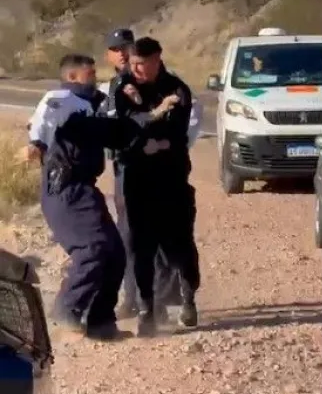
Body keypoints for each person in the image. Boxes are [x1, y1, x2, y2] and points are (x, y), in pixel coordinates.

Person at [24, 54, 174, 340]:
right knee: (92, 249)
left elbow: (121, 128)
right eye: (89, 74)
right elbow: (44, 116)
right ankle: (67, 309)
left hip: (84, 189)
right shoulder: (63, 99)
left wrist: (155, 113)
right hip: (64, 189)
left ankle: (100, 323)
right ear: (72, 77)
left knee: (115, 253)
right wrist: (36, 144)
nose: (94, 78)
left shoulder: (93, 105)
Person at [112, 37, 200, 336]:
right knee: (140, 248)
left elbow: (175, 135)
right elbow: (119, 128)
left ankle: (188, 299)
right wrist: (143, 131)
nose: (135, 69)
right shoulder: (122, 86)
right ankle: (147, 310)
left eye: (141, 64)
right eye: (132, 63)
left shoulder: (177, 90)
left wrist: (153, 137)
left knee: (179, 247)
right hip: (136, 180)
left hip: (171, 179)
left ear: (157, 58)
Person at [97, 28, 181, 320]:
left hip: (158, 168)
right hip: (125, 169)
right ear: (108, 55)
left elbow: (182, 123)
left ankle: (158, 302)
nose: (121, 53)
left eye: (126, 47)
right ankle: (132, 298)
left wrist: (162, 146)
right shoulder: (111, 87)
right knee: (129, 235)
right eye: (115, 49)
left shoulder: (162, 82)